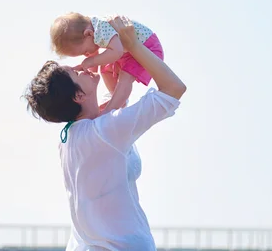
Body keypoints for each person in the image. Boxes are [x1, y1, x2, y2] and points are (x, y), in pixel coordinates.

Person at [24, 15, 186, 251]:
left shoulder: (69, 138)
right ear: (78, 96)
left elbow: (116, 102)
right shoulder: (105, 131)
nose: (83, 67)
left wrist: (120, 55)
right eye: (76, 72)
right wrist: (134, 46)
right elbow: (174, 89)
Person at [49, 12, 164, 114]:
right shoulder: (93, 28)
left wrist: (90, 61)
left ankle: (110, 109)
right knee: (105, 68)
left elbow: (117, 52)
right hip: (129, 51)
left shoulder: (101, 28)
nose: (86, 55)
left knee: (125, 77)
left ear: (88, 34)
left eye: (85, 51)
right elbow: (96, 58)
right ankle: (116, 96)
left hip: (148, 47)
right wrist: (87, 70)